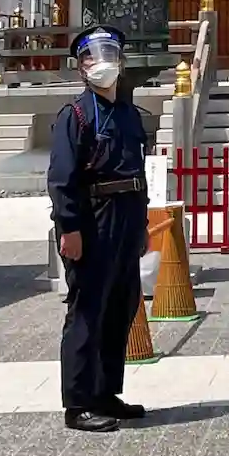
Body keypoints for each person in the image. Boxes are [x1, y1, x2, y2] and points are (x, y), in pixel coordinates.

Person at [47, 28, 149, 433]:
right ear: (80, 67)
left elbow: (138, 171)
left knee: (121, 306)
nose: (101, 62)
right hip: (94, 217)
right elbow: (62, 178)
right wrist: (69, 227)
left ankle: (106, 391)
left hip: (127, 216)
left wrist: (141, 226)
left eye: (109, 53)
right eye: (91, 56)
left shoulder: (129, 113)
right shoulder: (74, 116)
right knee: (88, 308)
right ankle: (78, 402)